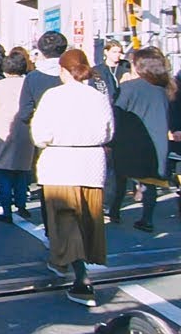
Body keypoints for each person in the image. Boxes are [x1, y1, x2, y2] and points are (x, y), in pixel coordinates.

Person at [30, 49, 113, 306]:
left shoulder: (53, 96)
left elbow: (40, 135)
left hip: (60, 163)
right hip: (91, 164)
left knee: (65, 219)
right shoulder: (98, 97)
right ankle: (65, 262)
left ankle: (80, 277)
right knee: (87, 219)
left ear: (63, 71)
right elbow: (108, 132)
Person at [114, 47, 176, 233]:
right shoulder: (166, 88)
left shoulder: (128, 87)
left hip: (128, 140)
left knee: (120, 177)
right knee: (151, 183)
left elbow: (116, 112)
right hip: (157, 142)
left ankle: (114, 210)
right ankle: (147, 219)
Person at [0, 49, 36, 223]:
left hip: (3, 130)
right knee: (22, 171)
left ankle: (6, 210)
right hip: (25, 130)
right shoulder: (28, 83)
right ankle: (22, 205)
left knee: (3, 172)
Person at [18, 30, 69, 125]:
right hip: (70, 129)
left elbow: (24, 113)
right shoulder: (72, 74)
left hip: (42, 129)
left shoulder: (32, 77)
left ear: (41, 50)